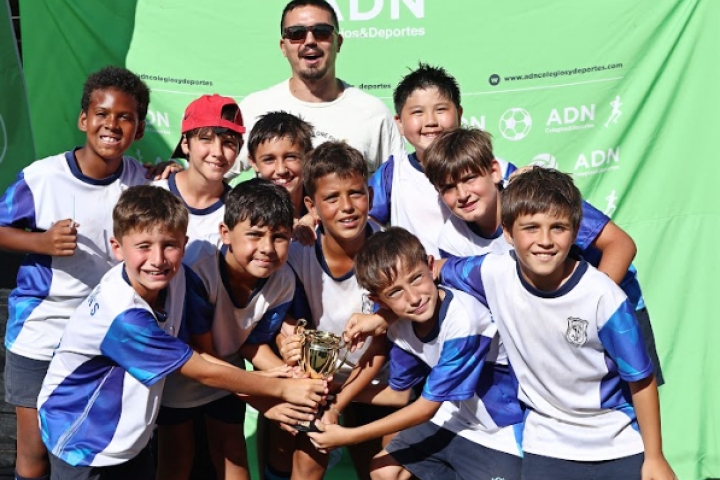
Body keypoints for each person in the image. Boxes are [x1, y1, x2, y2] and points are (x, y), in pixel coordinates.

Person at [37, 185, 328, 480]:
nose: (158, 259)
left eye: (169, 245)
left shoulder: (175, 276)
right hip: (82, 440)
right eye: (144, 246)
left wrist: (277, 377)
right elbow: (200, 368)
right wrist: (278, 390)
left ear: (184, 245)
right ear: (117, 247)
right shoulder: (124, 316)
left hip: (128, 442)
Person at [437, 168, 676, 480]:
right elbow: (432, 270)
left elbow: (641, 380)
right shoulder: (491, 272)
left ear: (575, 232)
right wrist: (382, 314)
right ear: (507, 231)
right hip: (546, 447)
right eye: (531, 228)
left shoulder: (604, 296)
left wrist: (655, 457)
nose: (545, 241)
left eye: (558, 228)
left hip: (617, 445)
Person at [0, 66, 171, 480]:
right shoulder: (42, 178)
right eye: (102, 114)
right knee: (34, 454)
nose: (112, 124)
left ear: (139, 129)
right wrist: (41, 242)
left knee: (86, 448)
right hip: (43, 332)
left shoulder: (142, 183)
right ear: (83, 120)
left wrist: (169, 171)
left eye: (125, 117)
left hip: (104, 336)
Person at [424, 127, 664, 384]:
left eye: (470, 178)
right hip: (553, 332)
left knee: (636, 396)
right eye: (449, 187)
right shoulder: (451, 240)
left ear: (494, 171)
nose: (463, 194)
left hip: (616, 309)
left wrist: (590, 306)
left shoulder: (536, 198)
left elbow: (621, 244)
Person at [307, 227, 523, 480]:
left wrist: (349, 436)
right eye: (395, 292)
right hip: (452, 416)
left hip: (499, 430)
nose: (413, 298)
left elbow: (425, 409)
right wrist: (335, 402)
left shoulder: (463, 320)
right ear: (380, 301)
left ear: (431, 267)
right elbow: (399, 394)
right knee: (384, 471)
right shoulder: (397, 322)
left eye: (416, 278)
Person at [156, 178, 301, 480]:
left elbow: (253, 343)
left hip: (230, 372)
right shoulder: (197, 269)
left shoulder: (283, 280)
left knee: (232, 452)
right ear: (226, 233)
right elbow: (202, 352)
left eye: (279, 237)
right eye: (254, 234)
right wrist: (266, 396)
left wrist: (292, 377)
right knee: (177, 457)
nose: (267, 248)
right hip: (183, 373)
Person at [271, 141, 391, 480]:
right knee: (304, 465)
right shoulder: (296, 253)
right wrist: (287, 341)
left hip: (376, 384)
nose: (347, 207)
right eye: (332, 198)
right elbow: (281, 317)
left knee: (384, 472)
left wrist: (340, 402)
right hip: (319, 385)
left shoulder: (390, 250)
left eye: (355, 194)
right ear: (312, 205)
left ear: (369, 195)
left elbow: (383, 344)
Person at [229, 0, 402, 180]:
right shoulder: (254, 108)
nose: (310, 41)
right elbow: (213, 179)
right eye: (296, 33)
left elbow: (398, 187)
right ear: (283, 47)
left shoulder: (374, 113)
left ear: (338, 42)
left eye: (321, 32)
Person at [368, 63, 516, 257]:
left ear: (459, 114)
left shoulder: (493, 167)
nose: (431, 121)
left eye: (440, 109)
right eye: (417, 112)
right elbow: (363, 222)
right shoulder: (393, 173)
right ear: (400, 123)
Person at [156, 94, 244, 265]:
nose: (217, 152)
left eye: (228, 142)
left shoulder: (240, 213)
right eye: (206, 139)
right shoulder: (151, 193)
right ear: (185, 144)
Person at [247, 111, 317, 244]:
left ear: (308, 157)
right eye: (269, 159)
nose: (281, 170)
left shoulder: (322, 201)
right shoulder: (243, 208)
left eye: (291, 157)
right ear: (253, 162)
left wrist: (314, 216)